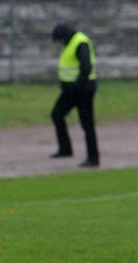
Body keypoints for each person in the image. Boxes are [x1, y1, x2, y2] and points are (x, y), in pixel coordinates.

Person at [50, 23, 99, 167]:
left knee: (87, 124)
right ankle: (65, 149)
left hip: (83, 91)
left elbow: (86, 68)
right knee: (57, 114)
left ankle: (93, 158)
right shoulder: (69, 43)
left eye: (59, 40)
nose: (59, 43)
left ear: (64, 36)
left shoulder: (80, 42)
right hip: (71, 92)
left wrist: (76, 86)